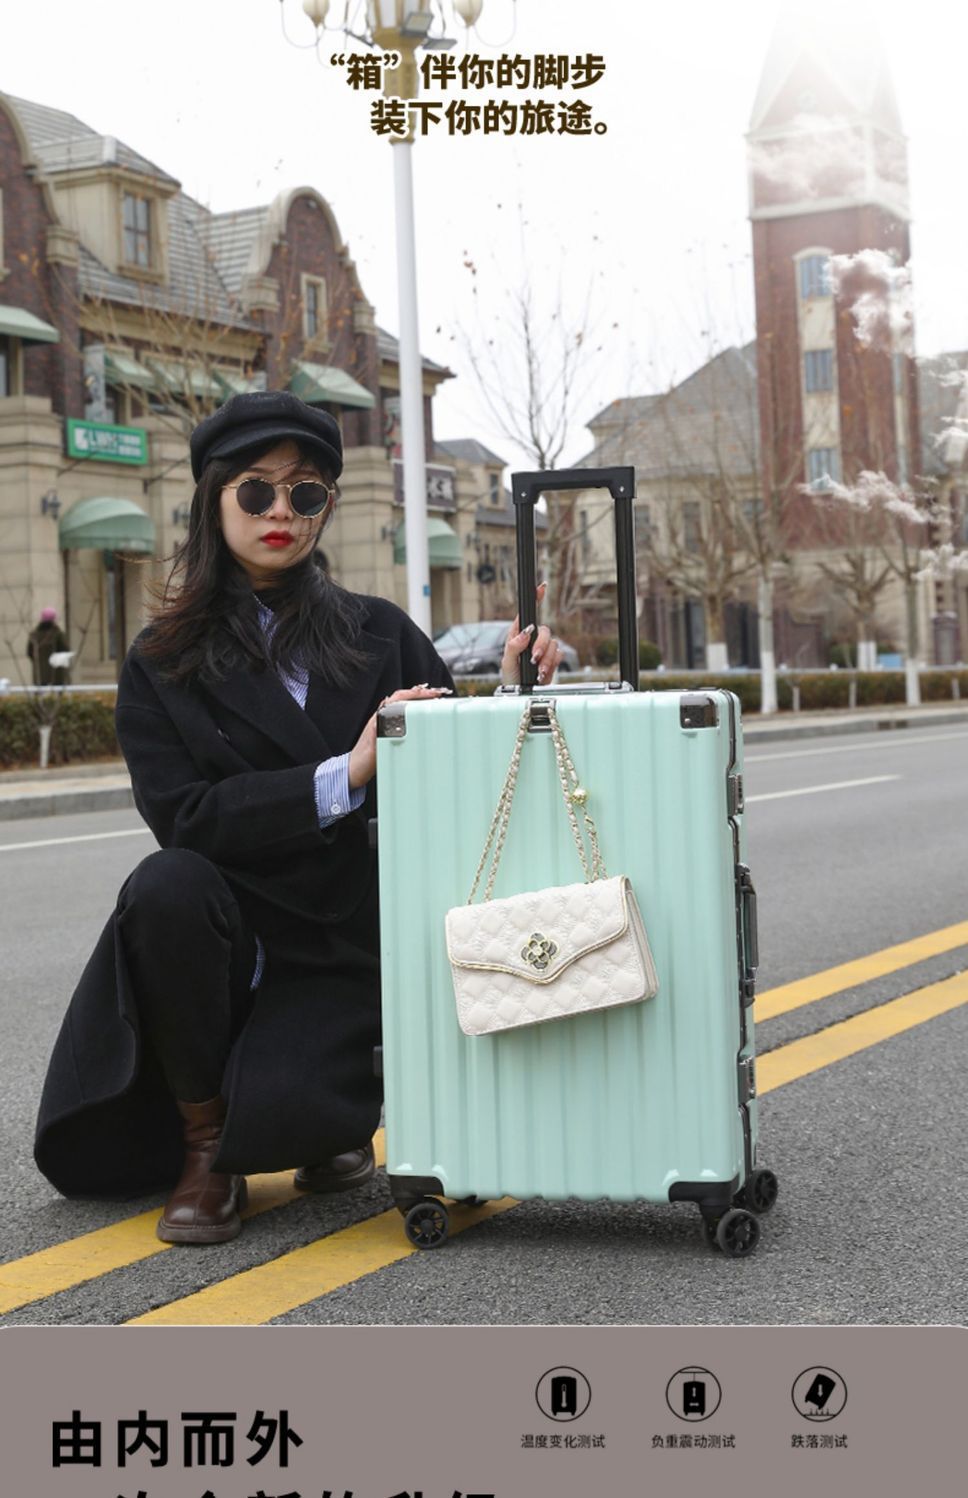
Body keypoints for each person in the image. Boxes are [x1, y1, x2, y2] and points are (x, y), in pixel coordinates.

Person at [34, 390, 562, 1245]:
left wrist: (510, 690)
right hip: (222, 937)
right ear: (214, 501)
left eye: (305, 492)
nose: (281, 511)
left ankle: (321, 1123)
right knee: (164, 884)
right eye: (256, 490)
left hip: (341, 941)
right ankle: (205, 1144)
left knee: (302, 1118)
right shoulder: (162, 658)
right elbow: (185, 817)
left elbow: (467, 793)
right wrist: (345, 773)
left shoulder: (380, 632)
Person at [27, 607, 69, 686]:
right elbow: (65, 650)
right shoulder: (58, 634)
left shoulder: (34, 635)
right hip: (56, 674)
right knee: (56, 692)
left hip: (39, 674)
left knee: (40, 692)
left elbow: (29, 652)